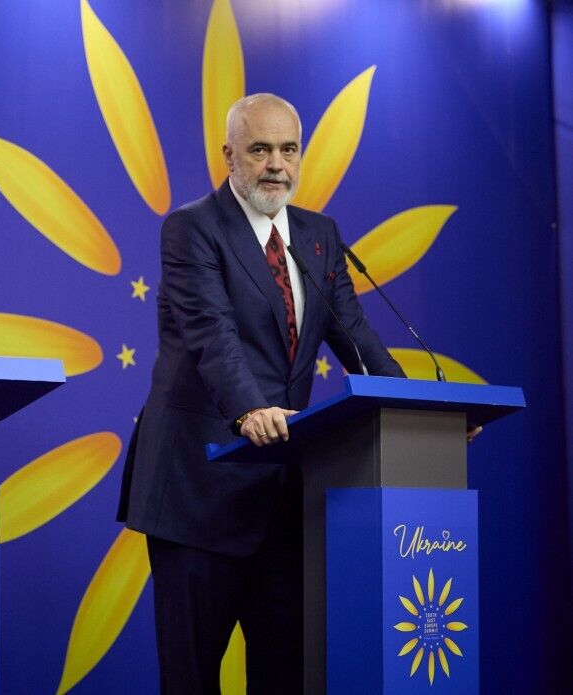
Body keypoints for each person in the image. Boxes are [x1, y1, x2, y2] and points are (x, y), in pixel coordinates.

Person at [117, 94, 405, 693]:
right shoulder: (193, 228)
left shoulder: (319, 236)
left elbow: (355, 337)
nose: (277, 164)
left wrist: (419, 411)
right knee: (192, 680)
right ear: (229, 156)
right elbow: (212, 335)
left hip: (281, 500)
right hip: (197, 493)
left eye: (288, 150)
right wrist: (249, 407)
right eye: (260, 150)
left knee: (288, 675)